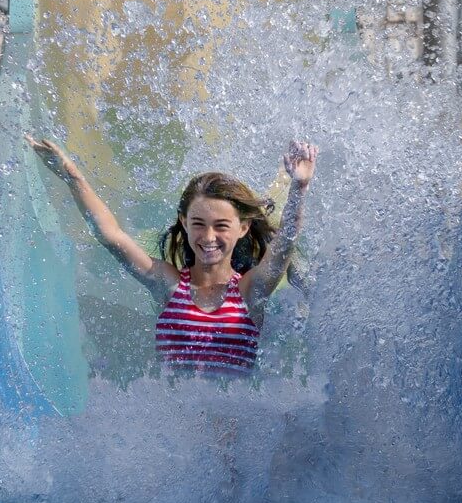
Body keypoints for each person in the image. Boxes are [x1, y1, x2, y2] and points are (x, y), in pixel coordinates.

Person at [25, 135, 318, 378]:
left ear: (243, 228)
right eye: (199, 224)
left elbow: (283, 247)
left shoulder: (249, 291)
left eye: (221, 226)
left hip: (233, 439)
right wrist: (72, 176)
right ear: (184, 222)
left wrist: (299, 188)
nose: (208, 237)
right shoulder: (169, 285)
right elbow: (111, 235)